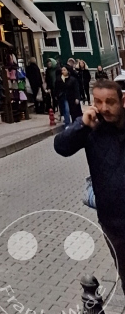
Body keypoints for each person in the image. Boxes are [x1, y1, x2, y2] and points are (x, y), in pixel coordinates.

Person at [55, 79, 125, 293]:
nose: (104, 108)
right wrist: (81, 126)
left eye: (110, 102)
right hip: (113, 222)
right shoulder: (90, 127)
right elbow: (61, 146)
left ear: (122, 100)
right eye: (98, 102)